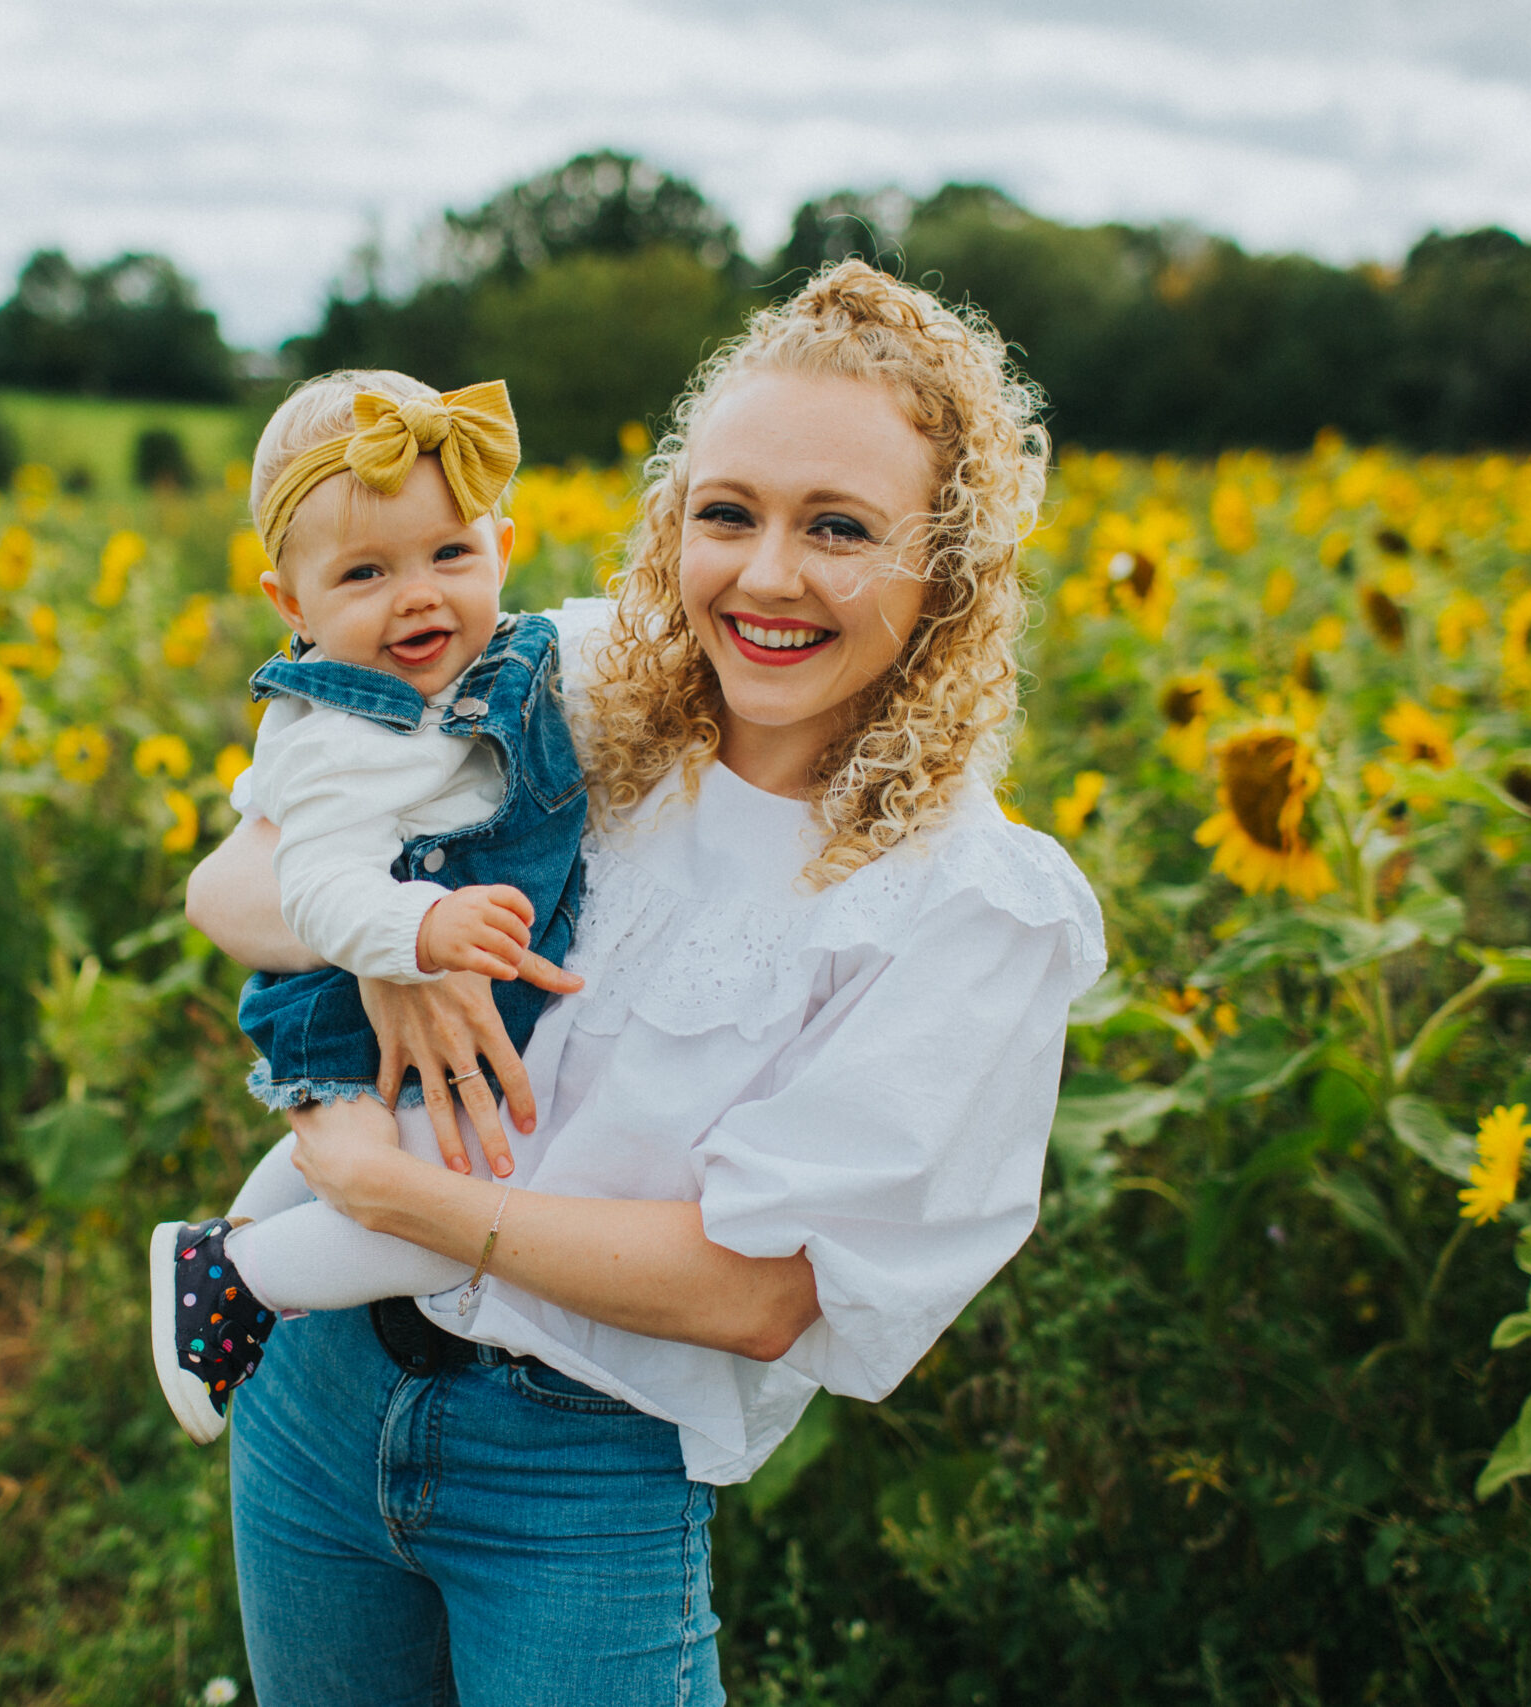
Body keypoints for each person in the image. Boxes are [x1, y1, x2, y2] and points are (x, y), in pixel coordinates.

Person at [185, 261, 1105, 1705]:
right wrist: (392, 938)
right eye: (728, 513)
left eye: (841, 528)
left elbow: (756, 1290)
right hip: (316, 1384)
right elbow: (231, 884)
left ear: (948, 569)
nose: (768, 575)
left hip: (578, 1470)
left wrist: (393, 1195)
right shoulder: (570, 681)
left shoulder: (968, 905)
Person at [149, 371, 593, 1445]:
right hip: (346, 1008)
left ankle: (226, 1244)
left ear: (503, 540)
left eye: (451, 554)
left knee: (366, 1176)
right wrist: (418, 937)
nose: (419, 596)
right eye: (364, 572)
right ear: (290, 605)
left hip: (429, 994)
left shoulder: (520, 656)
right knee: (439, 1225)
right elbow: (315, 884)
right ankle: (242, 1274)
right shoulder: (342, 736)